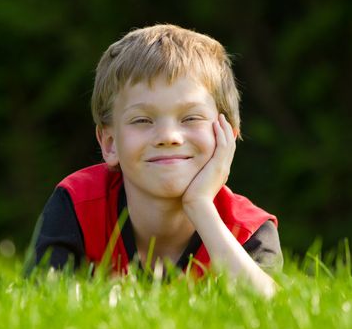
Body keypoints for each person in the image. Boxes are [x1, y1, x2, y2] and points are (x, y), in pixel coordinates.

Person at [27, 24, 283, 296]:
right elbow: (40, 302)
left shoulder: (248, 228)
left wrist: (199, 206)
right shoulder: (78, 204)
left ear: (227, 138)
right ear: (110, 143)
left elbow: (272, 315)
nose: (169, 136)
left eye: (191, 117)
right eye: (142, 120)